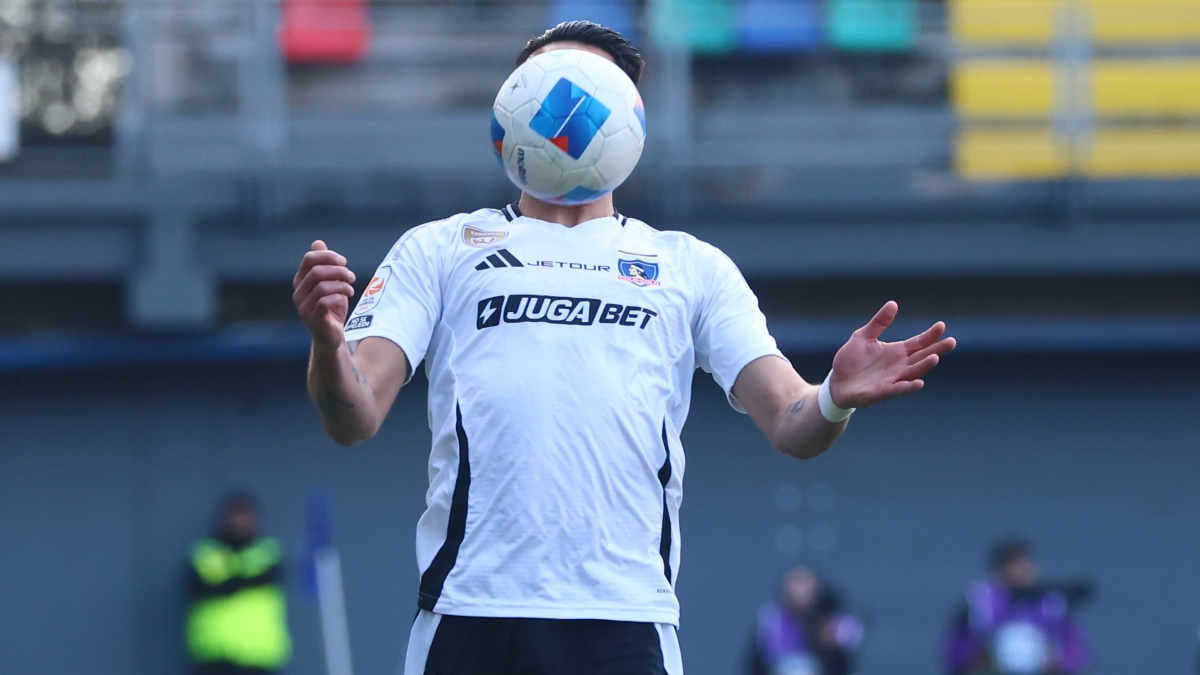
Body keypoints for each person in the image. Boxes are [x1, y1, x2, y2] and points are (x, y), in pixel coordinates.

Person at [291, 20, 956, 675]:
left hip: (624, 619)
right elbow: (353, 415)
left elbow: (791, 422)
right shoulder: (441, 248)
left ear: (627, 116)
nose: (566, 92)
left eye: (587, 80)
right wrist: (326, 339)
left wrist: (835, 397)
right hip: (471, 609)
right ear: (513, 107)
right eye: (546, 77)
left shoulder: (688, 266)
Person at [944, 538, 1092, 675]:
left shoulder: (1052, 603)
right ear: (998, 570)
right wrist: (979, 658)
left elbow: (1074, 651)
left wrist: (1058, 662)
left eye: (1023, 565)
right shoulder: (980, 603)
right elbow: (956, 653)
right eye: (1012, 566)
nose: (1020, 572)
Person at [186, 493, 292, 675]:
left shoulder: (268, 550)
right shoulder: (205, 552)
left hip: (258, 658)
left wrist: (224, 584)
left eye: (245, 516)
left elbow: (268, 577)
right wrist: (244, 581)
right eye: (236, 516)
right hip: (214, 657)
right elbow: (196, 589)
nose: (240, 522)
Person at [749, 567, 864, 675]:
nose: (801, 594)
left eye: (806, 588)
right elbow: (756, 665)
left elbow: (844, 665)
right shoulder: (772, 624)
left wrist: (830, 646)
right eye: (797, 586)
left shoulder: (832, 625)